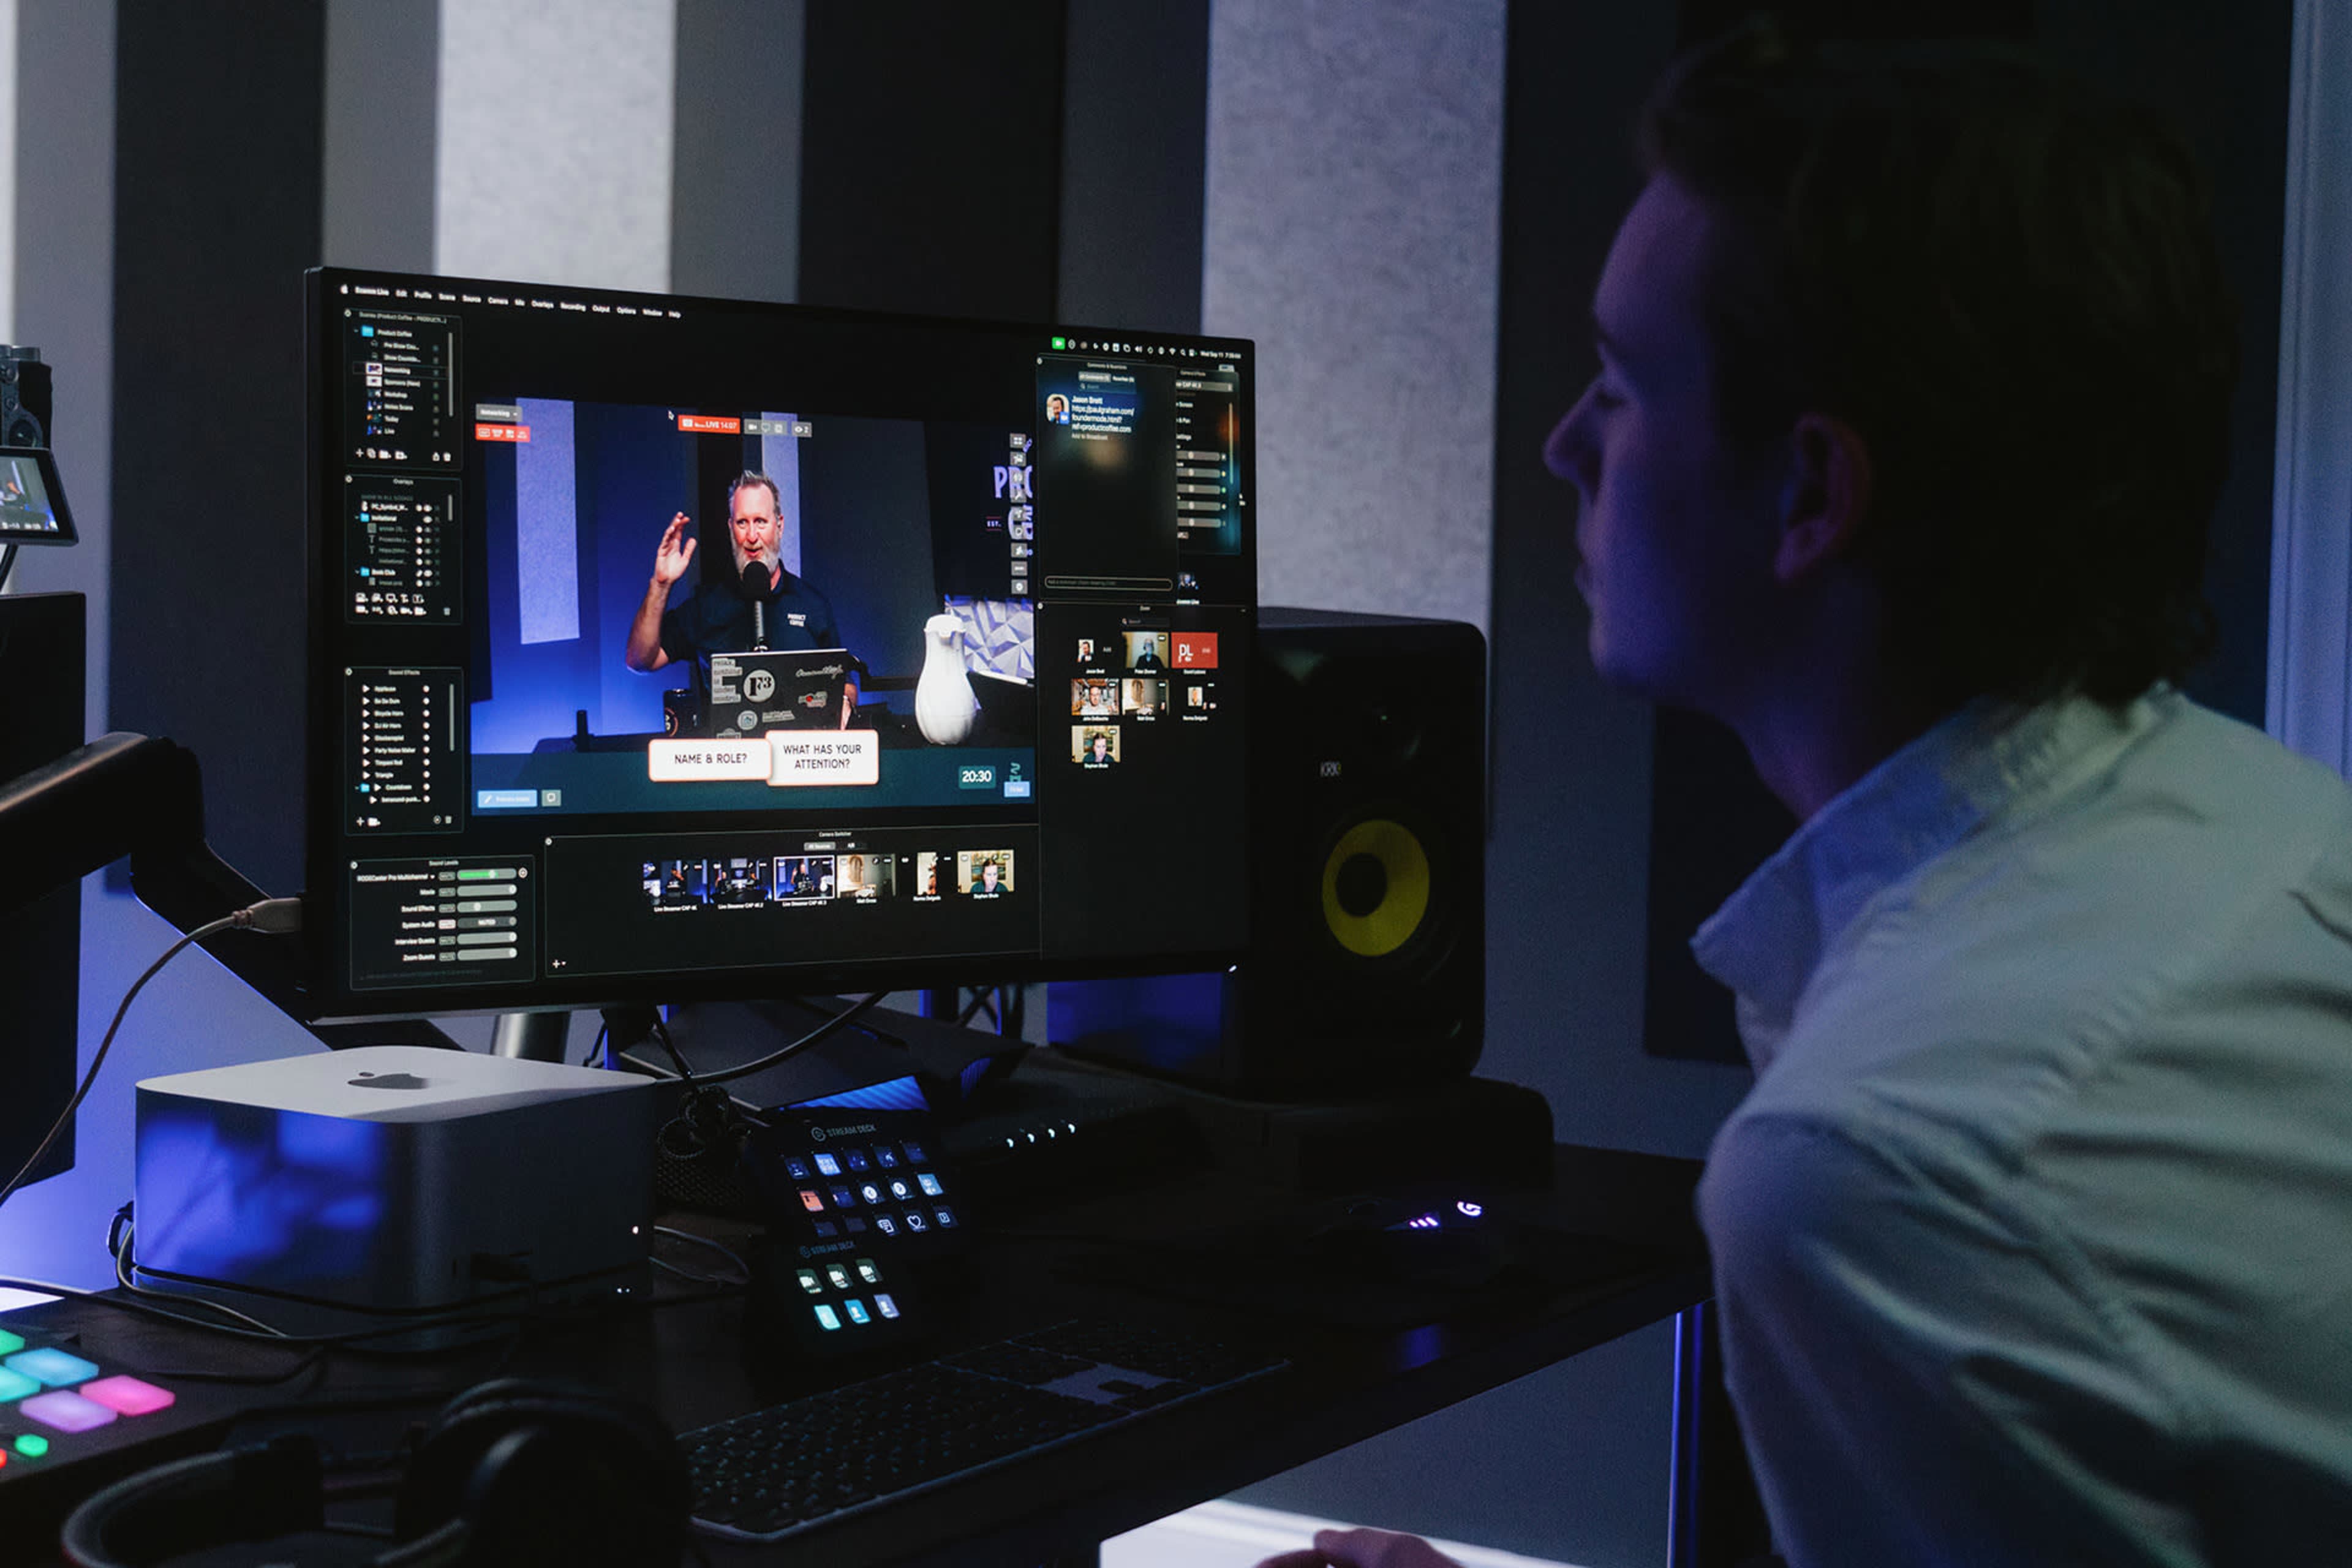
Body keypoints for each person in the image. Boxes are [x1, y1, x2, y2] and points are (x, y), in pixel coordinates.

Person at [1262, 26, 2352, 1568]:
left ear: (1811, 495)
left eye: (1620, 385)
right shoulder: (2272, 824)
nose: (1564, 445)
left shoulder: (1884, 1159)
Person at [623, 470, 858, 728]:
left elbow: (845, 684)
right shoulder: (708, 605)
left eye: (761, 522)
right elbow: (640, 660)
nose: (752, 537)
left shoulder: (812, 605)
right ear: (730, 528)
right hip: (729, 750)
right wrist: (661, 584)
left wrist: (844, 702)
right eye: (742, 523)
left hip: (796, 750)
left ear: (779, 526)